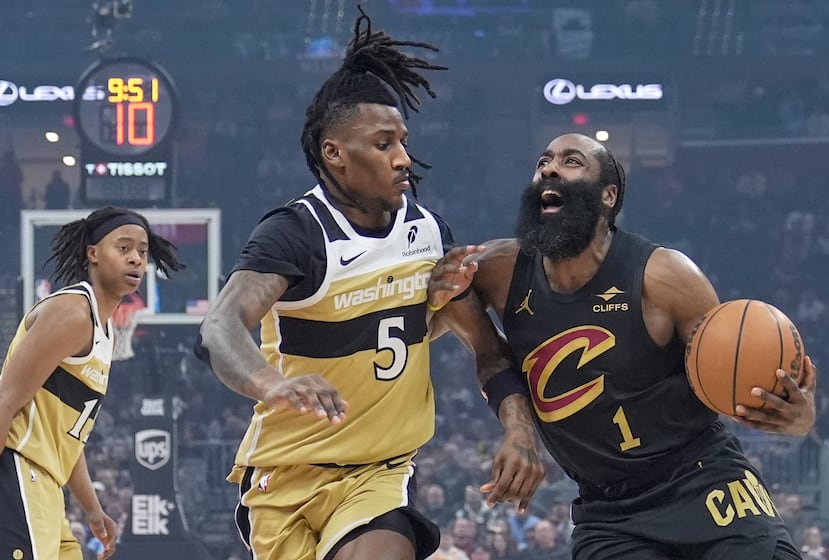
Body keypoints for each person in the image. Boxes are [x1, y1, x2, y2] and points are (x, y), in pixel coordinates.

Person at [195, 8, 542, 560]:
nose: (404, 157)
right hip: (283, 478)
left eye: (402, 141)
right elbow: (219, 327)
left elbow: (490, 353)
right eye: (383, 145)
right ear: (335, 153)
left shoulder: (429, 237)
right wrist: (271, 384)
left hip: (377, 478)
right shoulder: (297, 234)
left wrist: (520, 430)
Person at [469, 133, 818, 559]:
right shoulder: (496, 271)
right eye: (543, 160)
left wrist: (798, 417)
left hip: (704, 480)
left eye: (571, 160)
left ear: (608, 197)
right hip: (608, 511)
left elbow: (735, 380)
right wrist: (518, 426)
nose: (549, 168)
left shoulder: (665, 276)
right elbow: (476, 339)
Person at [0, 207, 183, 560]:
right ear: (93, 253)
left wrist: (93, 508)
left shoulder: (105, 330)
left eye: (142, 252)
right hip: (20, 473)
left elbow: (70, 435)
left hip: (48, 486)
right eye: (124, 247)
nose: (136, 260)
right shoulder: (72, 312)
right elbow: (5, 400)